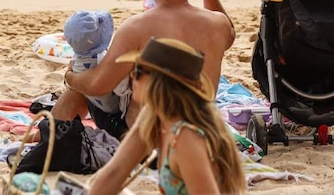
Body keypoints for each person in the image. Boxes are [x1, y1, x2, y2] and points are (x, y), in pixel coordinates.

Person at [57, 0, 235, 140]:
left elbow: (98, 85)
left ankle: (50, 132)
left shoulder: (136, 26)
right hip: (200, 133)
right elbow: (229, 31)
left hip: (146, 138)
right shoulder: (219, 24)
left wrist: (71, 76)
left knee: (84, 76)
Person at [87, 37, 244, 195]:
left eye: (138, 70)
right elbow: (115, 172)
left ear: (159, 81)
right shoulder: (154, 117)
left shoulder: (186, 137)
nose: (132, 76)